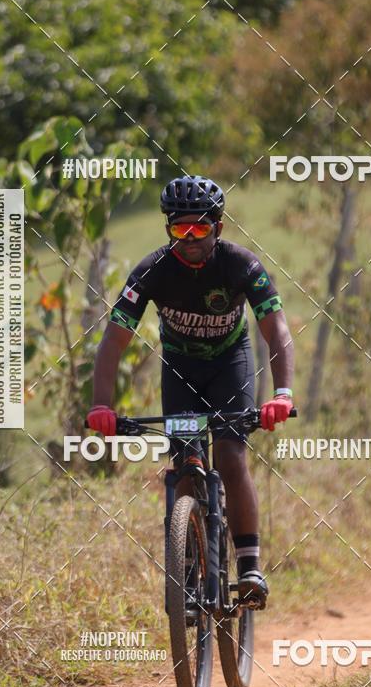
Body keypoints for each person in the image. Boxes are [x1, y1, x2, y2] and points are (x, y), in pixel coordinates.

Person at [86, 175, 294, 609]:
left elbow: (276, 330)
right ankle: (187, 566)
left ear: (219, 227)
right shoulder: (150, 271)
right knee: (185, 463)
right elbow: (113, 341)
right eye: (180, 228)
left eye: (200, 227)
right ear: (169, 229)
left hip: (230, 364)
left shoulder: (241, 265)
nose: (190, 238)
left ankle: (249, 565)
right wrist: (102, 405)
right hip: (180, 369)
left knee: (231, 456)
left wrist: (283, 394)